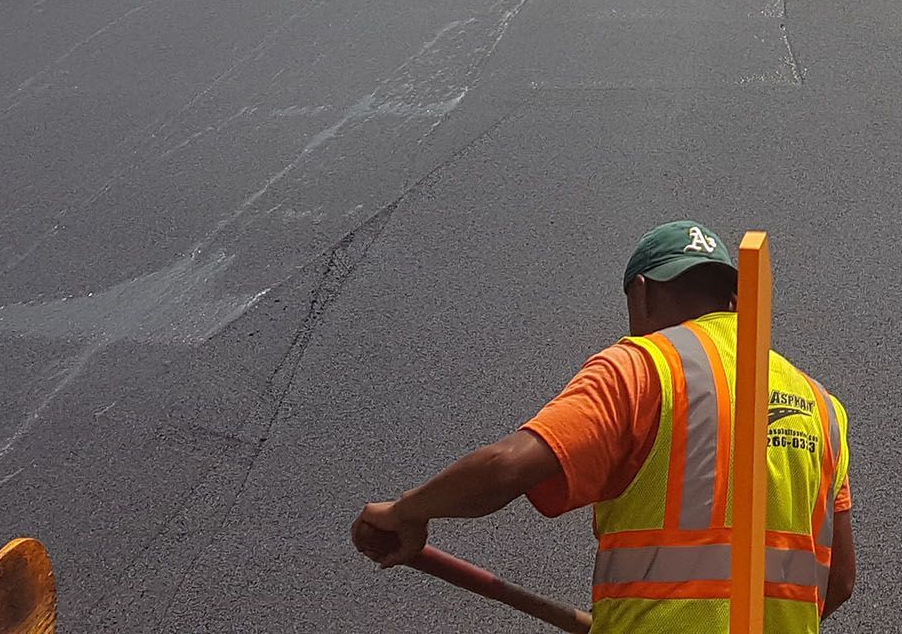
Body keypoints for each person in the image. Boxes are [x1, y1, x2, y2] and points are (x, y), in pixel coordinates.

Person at [352, 221, 855, 627]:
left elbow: (506, 467)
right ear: (735, 299)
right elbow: (838, 583)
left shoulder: (644, 367)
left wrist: (406, 511)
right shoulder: (822, 405)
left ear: (641, 294)